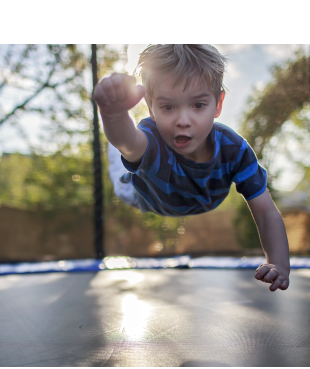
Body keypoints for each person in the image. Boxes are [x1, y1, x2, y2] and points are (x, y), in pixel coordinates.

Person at [94, 44, 290, 292]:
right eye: (168, 107)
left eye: (198, 105)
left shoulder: (235, 150)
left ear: (218, 104)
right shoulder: (152, 140)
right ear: (151, 107)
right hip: (140, 194)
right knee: (122, 146)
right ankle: (120, 126)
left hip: (195, 198)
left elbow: (266, 212)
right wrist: (112, 114)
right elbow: (130, 143)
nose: (183, 121)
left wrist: (279, 264)